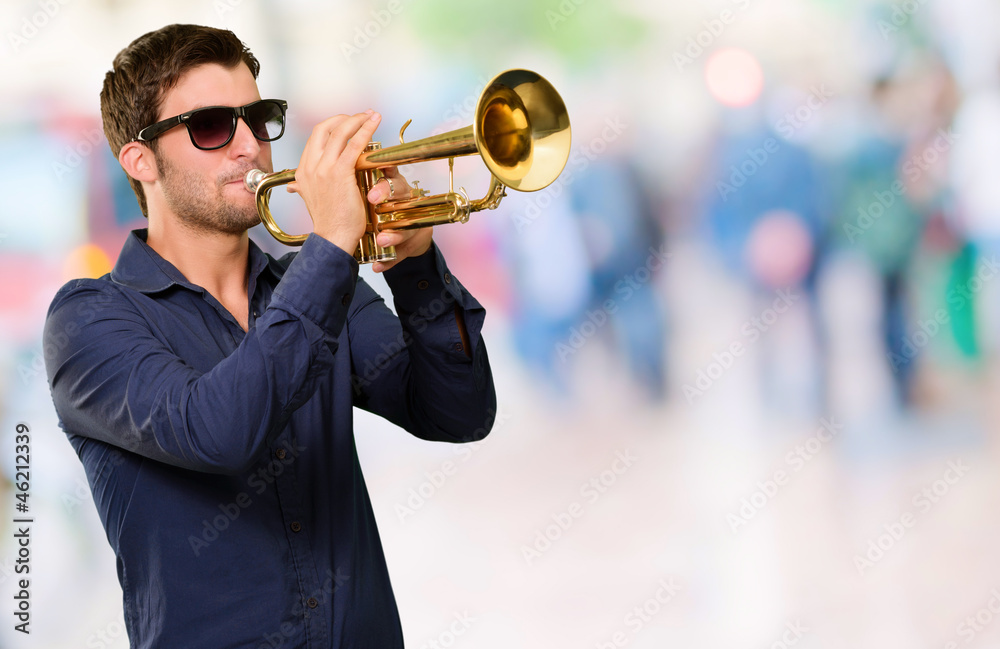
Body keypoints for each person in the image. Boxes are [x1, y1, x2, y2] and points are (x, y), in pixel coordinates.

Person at [42, 23, 496, 649]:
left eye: (257, 119)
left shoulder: (310, 282)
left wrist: (414, 265)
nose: (248, 147)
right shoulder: (88, 321)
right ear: (139, 160)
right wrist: (333, 242)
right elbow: (219, 430)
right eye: (210, 127)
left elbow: (459, 414)